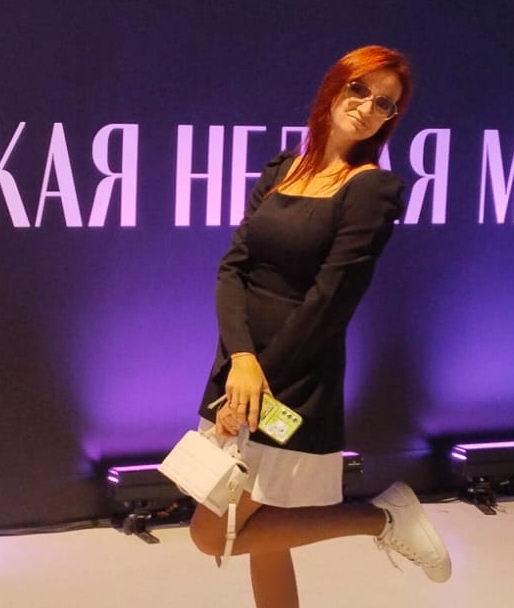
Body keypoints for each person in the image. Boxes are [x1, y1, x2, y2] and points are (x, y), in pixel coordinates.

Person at [187, 45, 451, 608]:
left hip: (295, 380)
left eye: (384, 104)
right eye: (360, 89)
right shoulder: (282, 169)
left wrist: (259, 380)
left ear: (390, 120)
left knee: (212, 533)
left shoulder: (372, 189)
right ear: (335, 87)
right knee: (265, 538)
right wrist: (240, 360)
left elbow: (330, 303)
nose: (367, 107)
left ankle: (381, 518)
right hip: (238, 367)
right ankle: (381, 519)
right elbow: (233, 269)